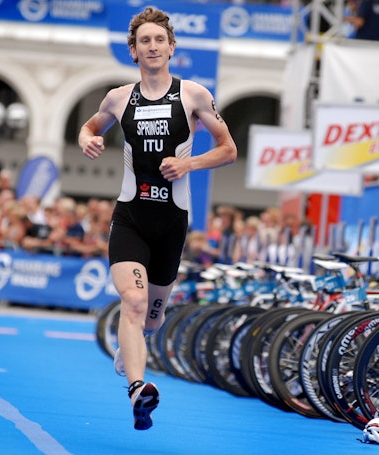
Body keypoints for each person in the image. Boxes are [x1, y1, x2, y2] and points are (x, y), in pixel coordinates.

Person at [78, 6, 237, 431]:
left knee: (152, 318)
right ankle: (137, 390)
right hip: (131, 216)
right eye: (144, 41)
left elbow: (228, 149)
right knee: (133, 302)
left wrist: (189, 164)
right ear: (133, 50)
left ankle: (130, 346)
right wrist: (87, 139)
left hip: (172, 222)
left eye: (159, 40)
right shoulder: (118, 98)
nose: (152, 47)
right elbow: (90, 127)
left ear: (171, 48)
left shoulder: (194, 95)